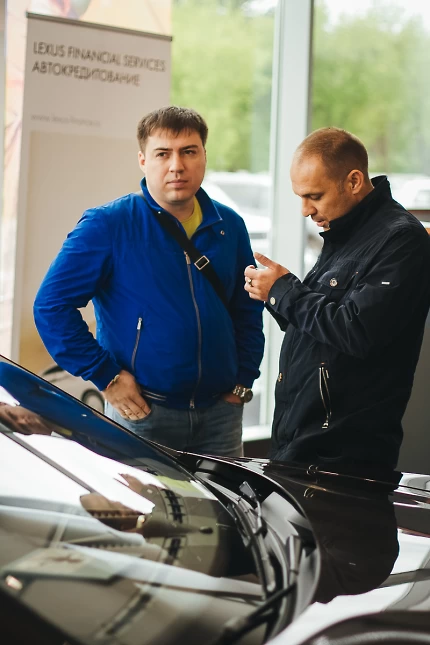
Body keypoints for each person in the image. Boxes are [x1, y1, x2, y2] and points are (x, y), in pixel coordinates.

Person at [34, 106, 264, 457]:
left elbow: (246, 308)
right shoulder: (108, 224)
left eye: (189, 151)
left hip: (221, 414)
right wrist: (106, 376)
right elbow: (51, 306)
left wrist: (243, 380)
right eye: (162, 154)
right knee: (142, 497)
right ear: (143, 160)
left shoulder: (229, 225)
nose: (177, 165)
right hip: (142, 414)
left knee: (222, 497)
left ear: (204, 156)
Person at [244, 126, 430, 468]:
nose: (305, 210)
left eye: (314, 196)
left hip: (345, 453)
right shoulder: (343, 230)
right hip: (299, 440)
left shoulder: (402, 239)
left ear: (354, 181)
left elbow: (358, 330)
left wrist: (284, 291)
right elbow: (323, 328)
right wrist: (273, 295)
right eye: (300, 197)